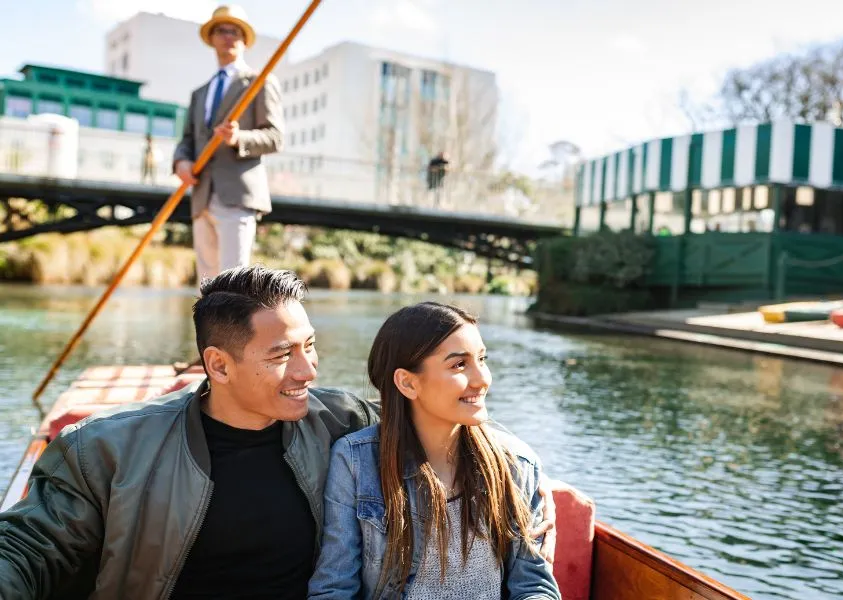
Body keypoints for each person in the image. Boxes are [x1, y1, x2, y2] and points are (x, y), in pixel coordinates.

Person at [0, 265, 555, 599]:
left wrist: (524, 477)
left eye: (309, 346)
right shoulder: (108, 451)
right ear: (218, 365)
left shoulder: (342, 424)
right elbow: (27, 550)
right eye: (283, 354)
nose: (308, 371)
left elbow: (439, 412)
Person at [308, 302, 561, 599]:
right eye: (459, 365)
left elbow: (535, 587)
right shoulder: (355, 461)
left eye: (482, 359)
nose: (482, 380)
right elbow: (334, 589)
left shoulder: (517, 465)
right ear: (407, 382)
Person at [173, 5, 284, 285]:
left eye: (235, 31)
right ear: (212, 38)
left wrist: (239, 139)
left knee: (233, 285)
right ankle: (207, 332)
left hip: (237, 195)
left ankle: (233, 331)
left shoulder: (260, 82)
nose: (228, 36)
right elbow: (187, 139)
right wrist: (181, 162)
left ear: (244, 40)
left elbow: (275, 137)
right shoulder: (199, 93)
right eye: (222, 30)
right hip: (201, 195)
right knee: (207, 288)